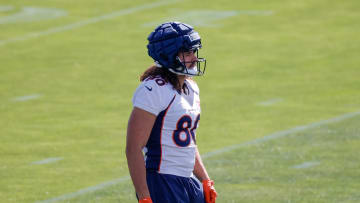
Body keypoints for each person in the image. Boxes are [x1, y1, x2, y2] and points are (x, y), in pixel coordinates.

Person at [126, 22, 217, 203]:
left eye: (193, 51)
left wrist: (205, 179)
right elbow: (133, 148)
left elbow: (188, 141)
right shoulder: (153, 89)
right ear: (169, 55)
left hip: (187, 179)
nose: (194, 58)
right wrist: (144, 196)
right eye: (187, 53)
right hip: (162, 181)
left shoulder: (191, 86)